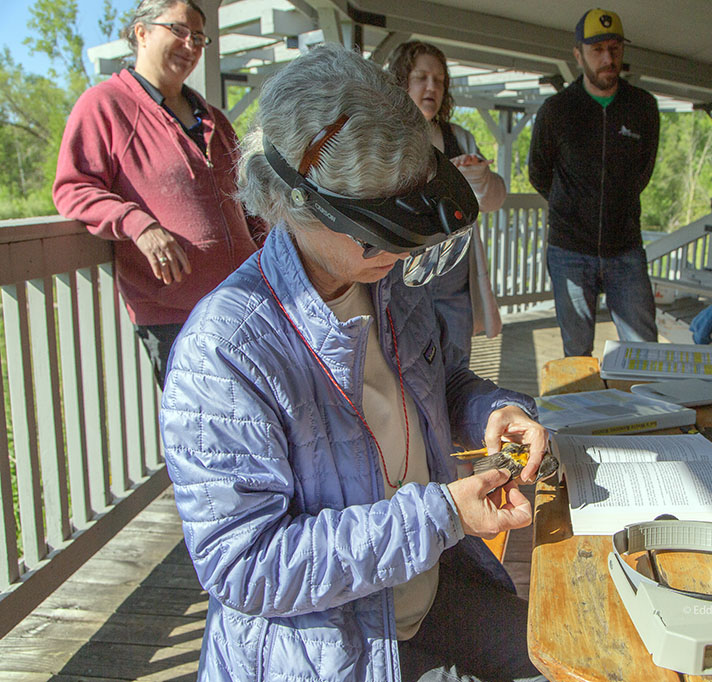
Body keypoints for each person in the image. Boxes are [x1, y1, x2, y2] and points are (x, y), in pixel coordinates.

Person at [158, 43, 548, 682]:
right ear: (293, 203)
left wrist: (490, 408)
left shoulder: (387, 280)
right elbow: (244, 565)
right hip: (330, 648)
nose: (397, 249)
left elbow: (435, 379)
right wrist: (442, 513)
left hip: (435, 588)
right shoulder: (227, 349)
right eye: (378, 229)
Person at [52, 0, 260, 386]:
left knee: (259, 424)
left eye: (198, 37)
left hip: (244, 299)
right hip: (174, 313)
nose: (191, 45)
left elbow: (249, 202)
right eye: (178, 30)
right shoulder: (105, 106)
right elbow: (74, 188)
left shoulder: (214, 118)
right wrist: (139, 224)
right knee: (202, 434)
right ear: (141, 32)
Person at [528, 8, 660, 358]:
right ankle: (582, 413)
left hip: (626, 250)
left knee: (644, 349)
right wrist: (573, 206)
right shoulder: (557, 110)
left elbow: (643, 172)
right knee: (577, 356)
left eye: (614, 48)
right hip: (568, 250)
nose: (607, 58)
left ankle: (643, 413)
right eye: (597, 50)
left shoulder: (643, 107)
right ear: (578, 54)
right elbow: (538, 172)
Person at [387, 40, 507, 367]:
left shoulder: (460, 138)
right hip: (401, 282)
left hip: (455, 284)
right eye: (422, 77)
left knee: (456, 371)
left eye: (439, 80)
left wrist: (478, 180)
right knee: (407, 371)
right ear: (401, 82)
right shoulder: (386, 138)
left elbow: (494, 200)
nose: (432, 87)